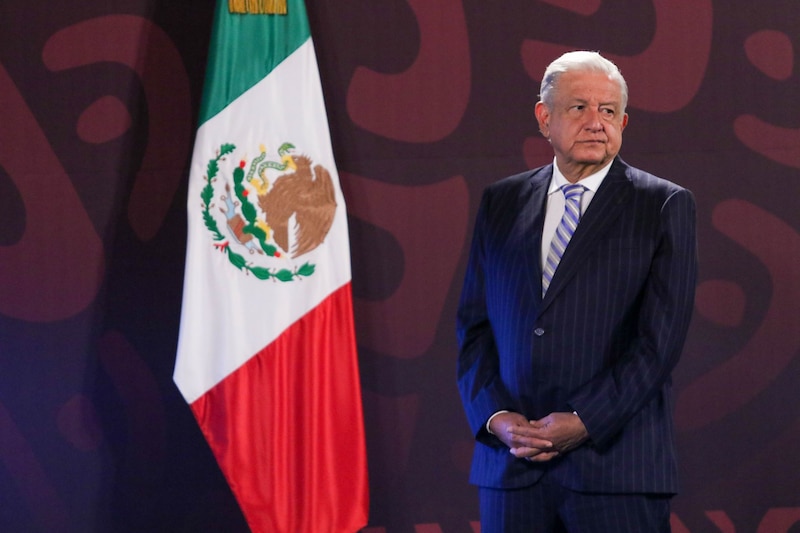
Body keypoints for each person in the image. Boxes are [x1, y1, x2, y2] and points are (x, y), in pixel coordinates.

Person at [456, 50, 697, 532]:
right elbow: (475, 327)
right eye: (579, 107)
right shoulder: (501, 202)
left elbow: (658, 344)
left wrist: (584, 419)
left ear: (624, 122)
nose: (595, 122)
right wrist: (496, 417)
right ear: (544, 118)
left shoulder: (662, 205)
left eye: (608, 111)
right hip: (513, 470)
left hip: (616, 471)